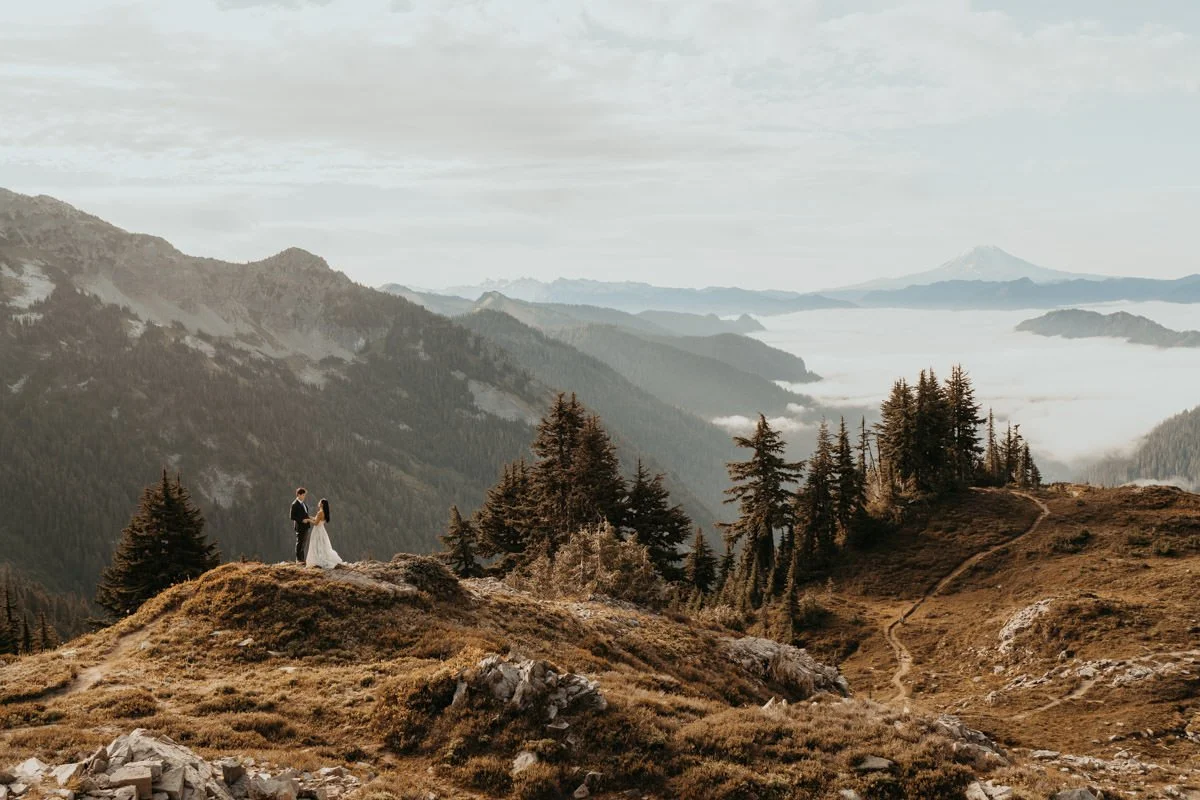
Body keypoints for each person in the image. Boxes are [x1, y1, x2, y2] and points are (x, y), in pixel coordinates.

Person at [305, 498, 343, 569]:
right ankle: (320, 558)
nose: (318, 503)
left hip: (317, 530)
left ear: (322, 504)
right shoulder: (324, 512)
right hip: (322, 530)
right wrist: (309, 517)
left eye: (319, 502)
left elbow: (316, 523)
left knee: (316, 544)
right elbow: (317, 519)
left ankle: (318, 559)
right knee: (322, 545)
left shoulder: (320, 513)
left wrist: (308, 520)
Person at [290, 487, 312, 563]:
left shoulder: (303, 503)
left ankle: (302, 559)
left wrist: (310, 518)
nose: (304, 496)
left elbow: (305, 514)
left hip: (306, 526)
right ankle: (298, 559)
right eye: (303, 495)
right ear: (298, 495)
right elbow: (292, 516)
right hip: (300, 527)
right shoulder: (294, 504)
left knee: (303, 544)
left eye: (304, 495)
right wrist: (302, 520)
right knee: (299, 543)